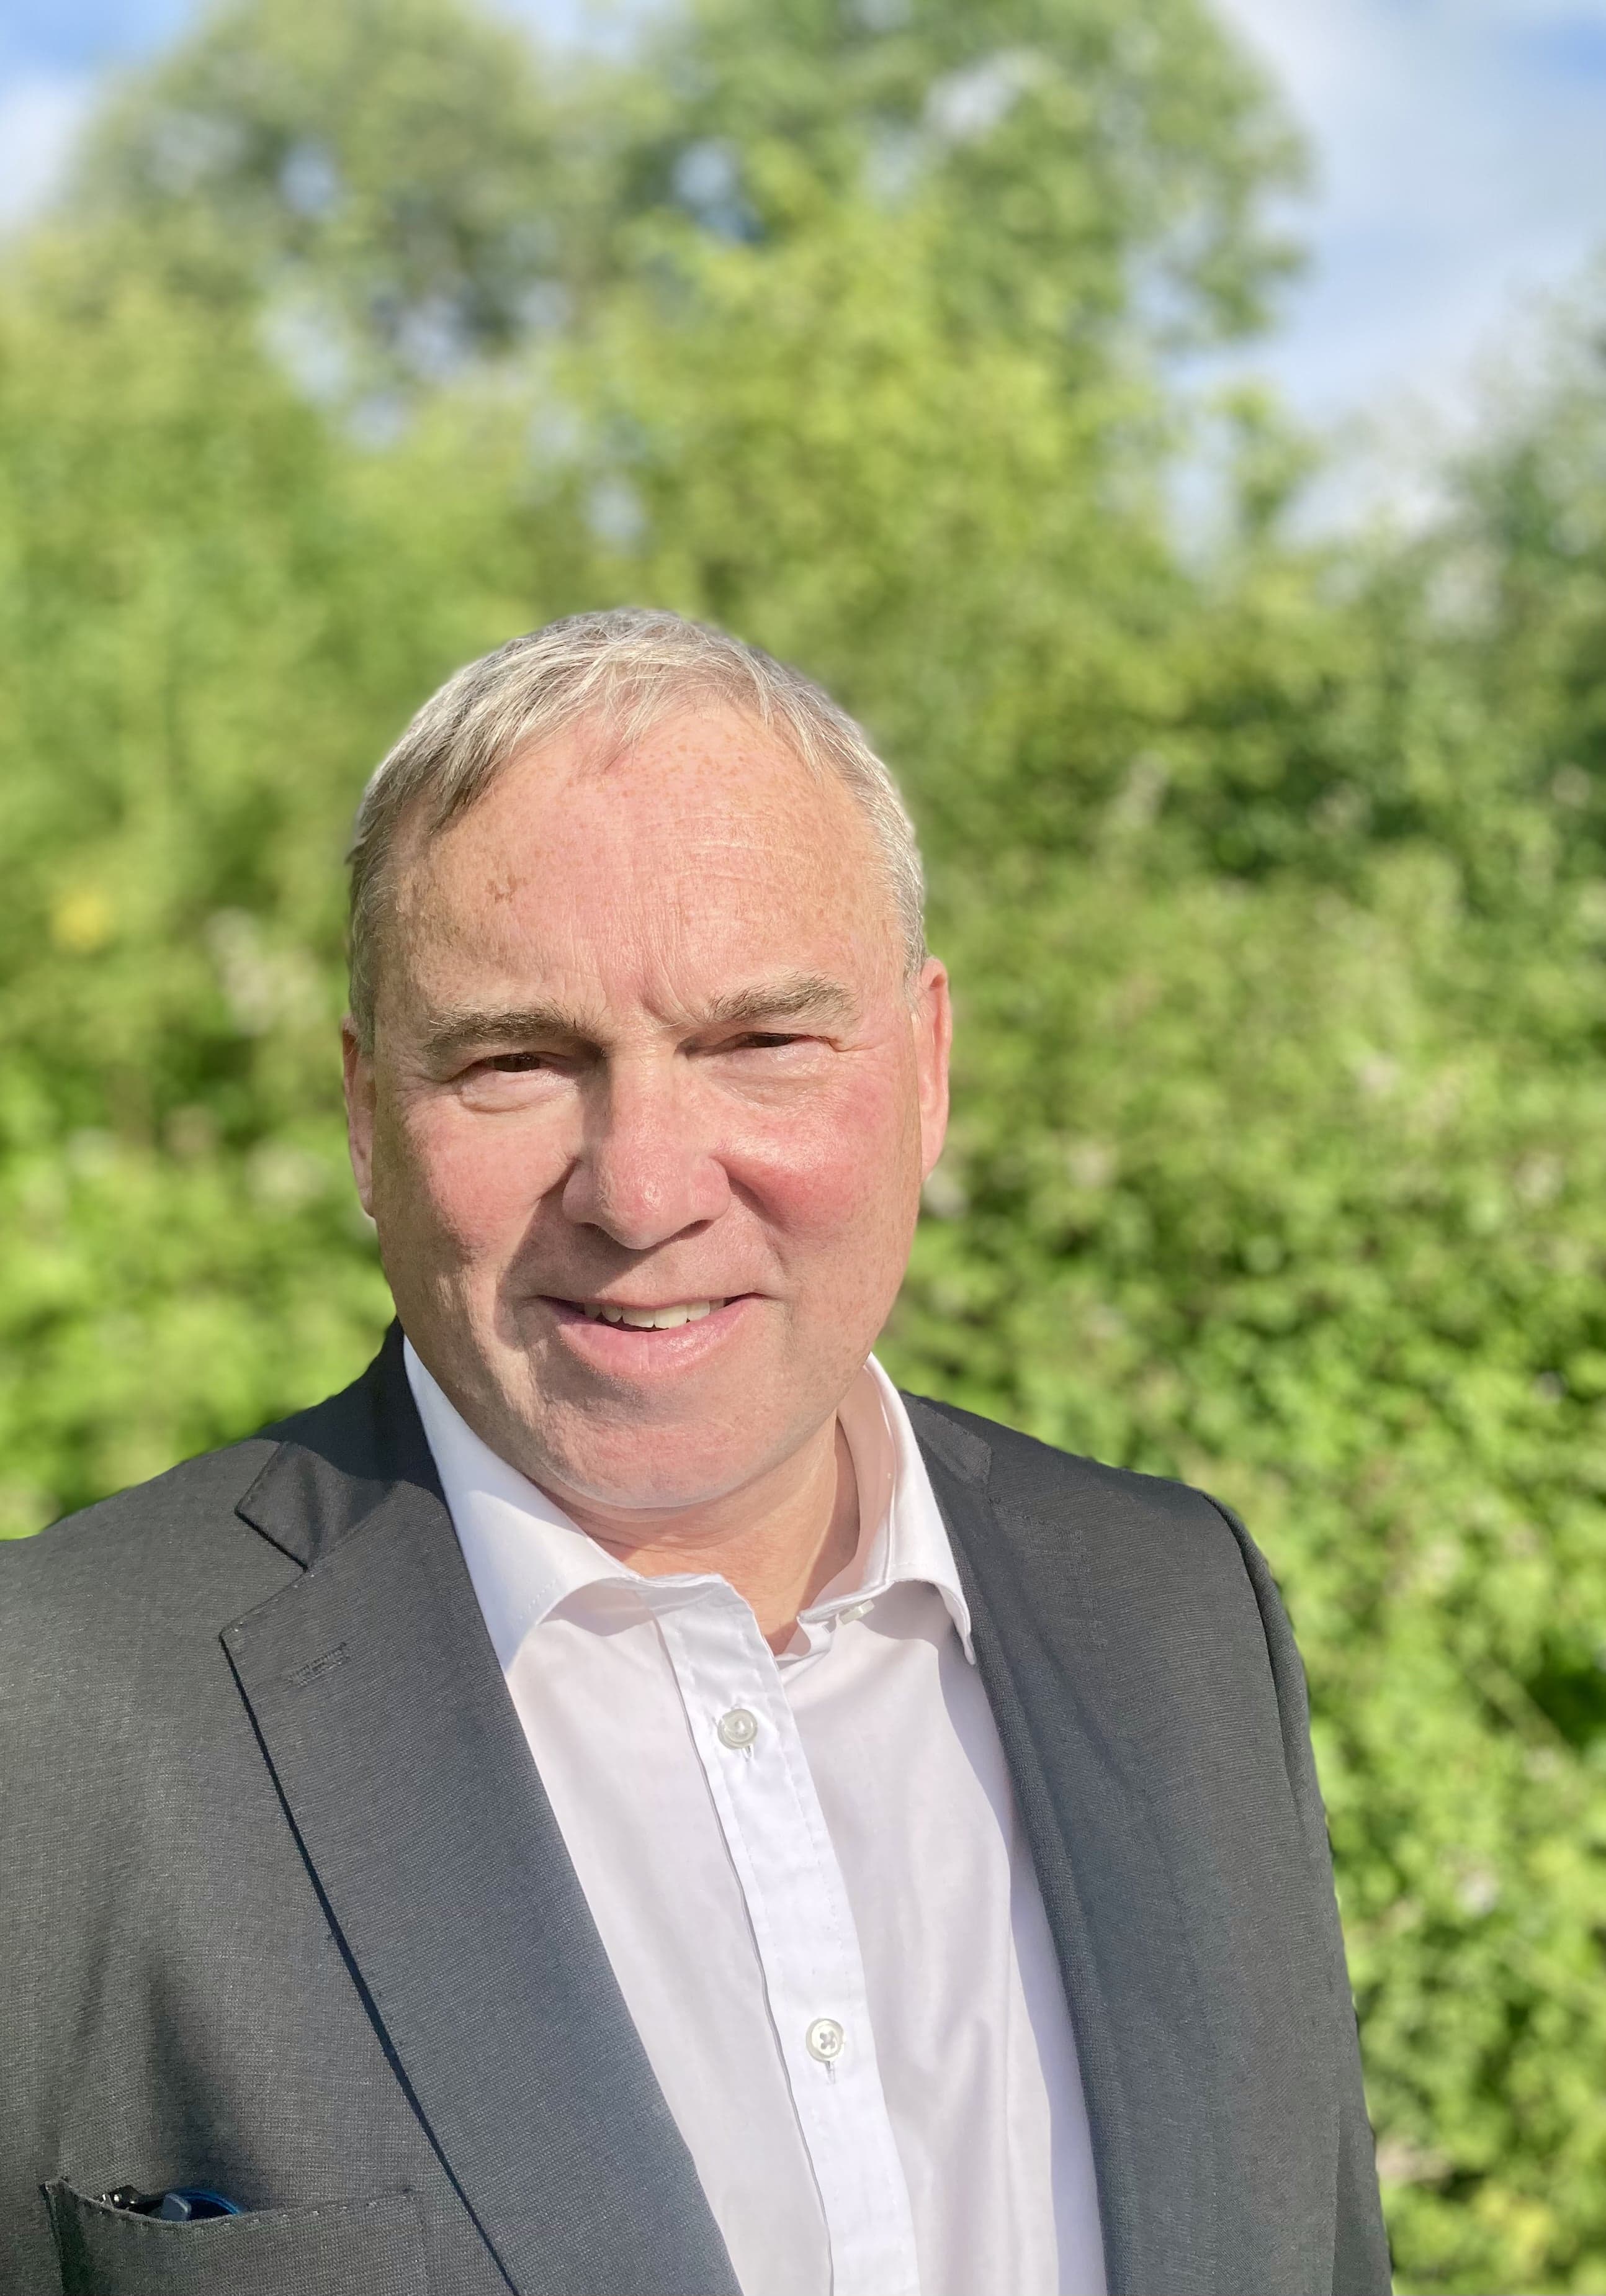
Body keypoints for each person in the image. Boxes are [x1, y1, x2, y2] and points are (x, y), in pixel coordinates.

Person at [0, 610, 1390, 2296]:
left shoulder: (1177, 1614)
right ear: (368, 1120)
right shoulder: (58, 1707)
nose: (643, 1187)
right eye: (517, 1060)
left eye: (758, 1043)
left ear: (926, 1067)